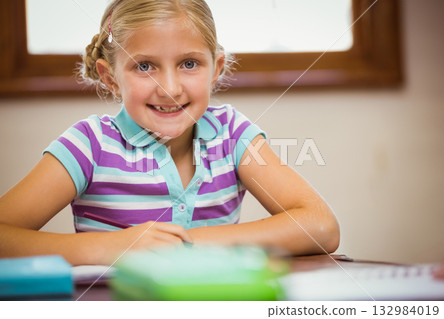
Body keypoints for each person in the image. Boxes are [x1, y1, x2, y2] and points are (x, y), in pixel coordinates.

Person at [0, 0, 339, 266]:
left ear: (215, 69)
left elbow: (321, 226)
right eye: (144, 66)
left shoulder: (232, 134)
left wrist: (183, 244)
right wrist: (111, 248)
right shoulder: (90, 144)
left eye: (189, 64)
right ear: (111, 78)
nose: (170, 87)